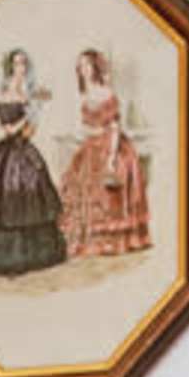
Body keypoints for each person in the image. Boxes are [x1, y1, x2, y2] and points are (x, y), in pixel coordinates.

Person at [0, 42, 68, 281]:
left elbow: (29, 132)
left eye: (24, 63)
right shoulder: (5, 94)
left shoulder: (28, 93)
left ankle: (31, 258)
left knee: (32, 201)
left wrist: (36, 111)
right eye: (17, 63)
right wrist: (28, 111)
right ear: (9, 67)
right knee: (5, 203)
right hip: (6, 155)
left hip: (25, 150)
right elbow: (9, 129)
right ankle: (4, 260)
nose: (21, 67)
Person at [57, 43, 151, 262]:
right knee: (77, 186)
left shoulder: (107, 92)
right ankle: (86, 241)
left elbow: (115, 128)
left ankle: (111, 242)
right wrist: (83, 135)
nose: (83, 70)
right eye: (80, 66)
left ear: (95, 68)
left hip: (111, 145)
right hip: (91, 144)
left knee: (106, 189)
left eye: (87, 66)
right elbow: (86, 125)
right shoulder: (85, 94)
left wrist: (110, 159)